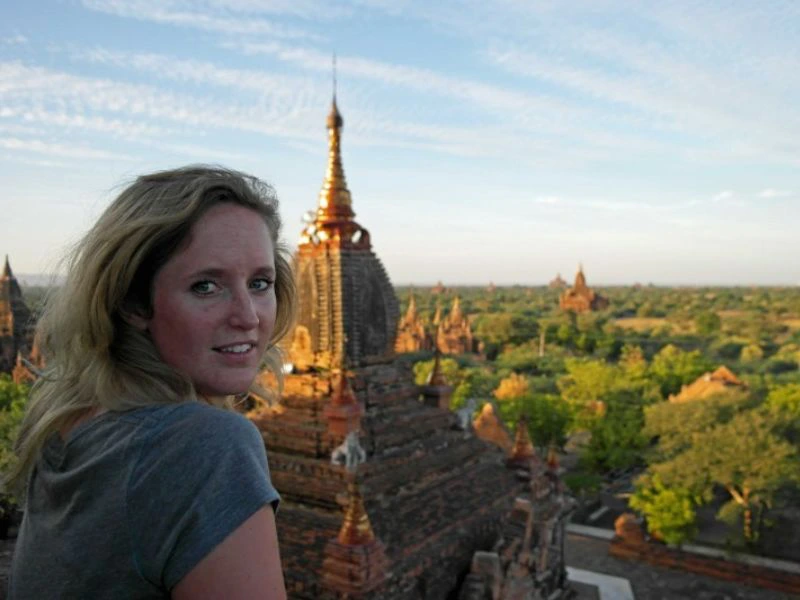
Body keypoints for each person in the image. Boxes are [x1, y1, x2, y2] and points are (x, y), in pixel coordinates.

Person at [7, 166, 296, 599]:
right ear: (134, 304)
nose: (248, 316)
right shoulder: (209, 445)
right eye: (205, 286)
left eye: (260, 283)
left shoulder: (66, 423)